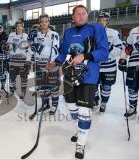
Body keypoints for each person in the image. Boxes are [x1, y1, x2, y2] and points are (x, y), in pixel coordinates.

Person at [54, 5, 109, 159]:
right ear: (73, 17)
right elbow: (64, 53)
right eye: (78, 14)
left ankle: (81, 143)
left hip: (88, 77)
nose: (81, 16)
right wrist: (55, 61)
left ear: (87, 15)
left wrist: (85, 56)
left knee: (84, 112)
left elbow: (104, 52)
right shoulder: (68, 32)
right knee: (72, 108)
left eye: (84, 13)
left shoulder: (96, 29)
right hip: (70, 75)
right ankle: (79, 130)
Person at [29, 14, 60, 115]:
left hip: (51, 64)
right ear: (39, 23)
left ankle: (54, 105)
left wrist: (41, 48)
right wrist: (30, 43)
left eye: (46, 21)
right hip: (39, 64)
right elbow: (32, 50)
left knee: (53, 86)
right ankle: (45, 104)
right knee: (42, 87)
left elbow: (55, 51)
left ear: (49, 22)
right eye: (42, 21)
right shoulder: (36, 35)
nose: (44, 23)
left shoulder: (54, 34)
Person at [94, 12, 122, 112]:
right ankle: (95, 100)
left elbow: (118, 48)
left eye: (104, 20)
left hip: (109, 66)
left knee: (106, 86)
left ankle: (104, 102)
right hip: (96, 65)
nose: (102, 22)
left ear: (107, 21)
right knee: (93, 84)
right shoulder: (93, 32)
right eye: (100, 20)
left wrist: (105, 55)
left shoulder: (114, 33)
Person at [7, 21, 31, 99]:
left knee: (23, 78)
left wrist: (28, 61)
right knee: (12, 78)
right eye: (17, 26)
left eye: (20, 26)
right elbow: (8, 46)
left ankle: (23, 92)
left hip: (22, 61)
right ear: (16, 27)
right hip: (13, 60)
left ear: (23, 27)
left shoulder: (26, 36)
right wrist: (6, 48)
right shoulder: (11, 35)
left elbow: (29, 50)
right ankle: (12, 90)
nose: (19, 27)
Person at [119, 27, 139, 118]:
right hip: (133, 64)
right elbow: (126, 46)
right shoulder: (134, 31)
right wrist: (123, 58)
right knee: (132, 88)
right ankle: (133, 107)